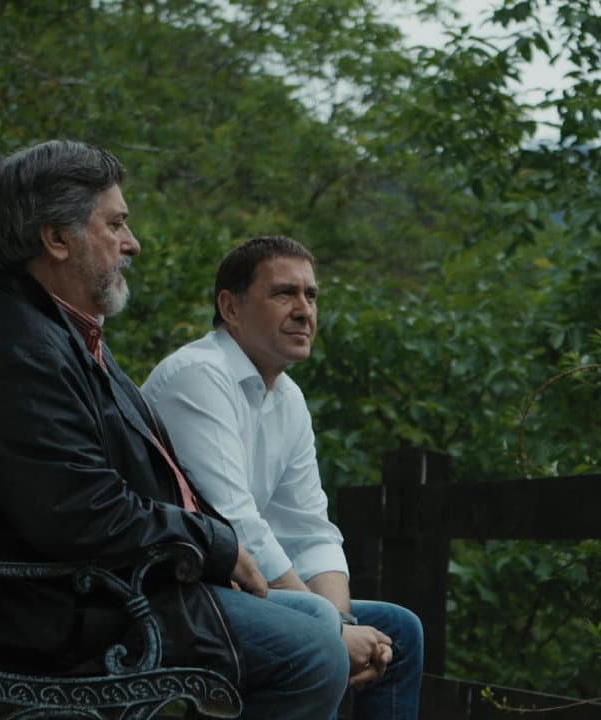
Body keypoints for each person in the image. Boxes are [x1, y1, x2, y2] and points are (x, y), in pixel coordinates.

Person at [0, 141, 348, 720]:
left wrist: (215, 549)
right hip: (62, 612)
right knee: (313, 649)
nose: (132, 243)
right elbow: (83, 510)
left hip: (96, 591)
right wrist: (215, 546)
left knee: (320, 619)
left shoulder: (55, 334)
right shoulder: (18, 351)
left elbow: (109, 494)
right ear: (57, 238)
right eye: (115, 224)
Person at [142, 235, 425, 719]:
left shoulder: (288, 398)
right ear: (230, 307)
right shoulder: (197, 375)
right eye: (284, 294)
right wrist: (335, 632)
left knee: (399, 630)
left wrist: (342, 620)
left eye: (311, 295)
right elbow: (237, 524)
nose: (304, 310)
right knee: (318, 631)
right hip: (174, 592)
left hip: (240, 591)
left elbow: (309, 529)